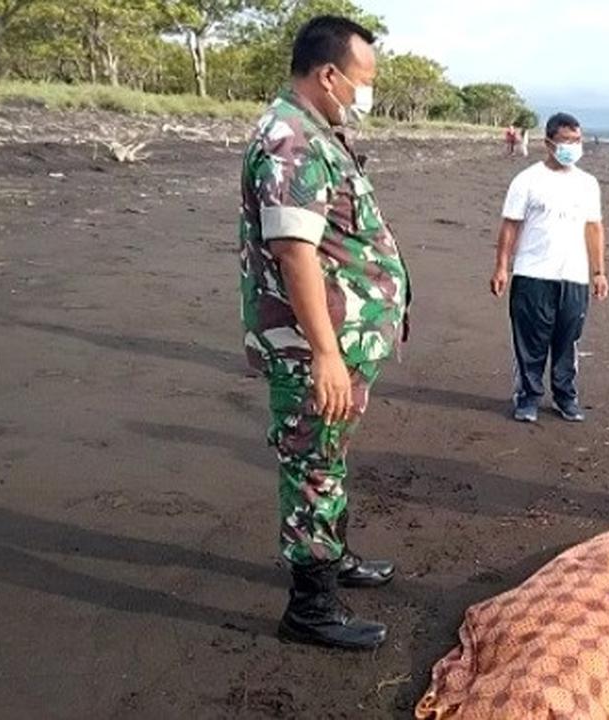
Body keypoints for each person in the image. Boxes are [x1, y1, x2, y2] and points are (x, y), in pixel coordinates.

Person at [238, 15, 410, 651]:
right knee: (312, 464)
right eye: (364, 79)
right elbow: (295, 252)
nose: (368, 93)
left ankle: (334, 556)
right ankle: (310, 607)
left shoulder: (317, 131)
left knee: (328, 455)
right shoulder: (293, 140)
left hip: (344, 338)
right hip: (313, 346)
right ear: (330, 74)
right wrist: (325, 352)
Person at [490, 112, 608, 423]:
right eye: (566, 141)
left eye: (577, 140)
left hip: (573, 275)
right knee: (530, 341)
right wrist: (502, 267)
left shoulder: (587, 184)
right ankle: (528, 396)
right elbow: (510, 226)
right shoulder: (527, 180)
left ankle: (565, 396)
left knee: (567, 340)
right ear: (549, 143)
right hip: (532, 273)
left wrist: (599, 271)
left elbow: (594, 227)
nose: (573, 147)